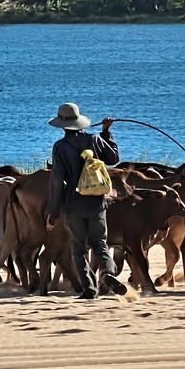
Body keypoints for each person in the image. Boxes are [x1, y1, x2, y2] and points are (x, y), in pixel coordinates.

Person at [45, 102, 127, 299]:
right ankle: (108, 273)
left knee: (78, 248)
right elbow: (114, 158)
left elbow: (57, 182)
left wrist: (53, 213)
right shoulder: (95, 138)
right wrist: (107, 133)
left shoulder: (60, 147)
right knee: (100, 243)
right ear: (80, 122)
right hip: (97, 203)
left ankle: (89, 288)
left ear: (62, 125)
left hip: (73, 204)